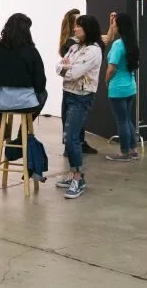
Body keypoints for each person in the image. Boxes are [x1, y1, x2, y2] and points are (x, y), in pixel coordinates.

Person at [54, 14, 104, 199]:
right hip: (68, 94)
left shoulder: (93, 51)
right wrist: (66, 68)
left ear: (87, 29)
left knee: (73, 137)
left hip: (81, 97)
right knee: (67, 136)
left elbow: (72, 73)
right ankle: (74, 174)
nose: (74, 29)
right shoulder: (75, 47)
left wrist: (67, 68)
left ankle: (78, 178)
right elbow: (58, 68)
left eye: (78, 27)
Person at [0, 13, 47, 132]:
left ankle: (1, 124)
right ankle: (24, 129)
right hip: (26, 104)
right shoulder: (32, 52)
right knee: (44, 94)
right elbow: (40, 84)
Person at [104, 13, 140, 162]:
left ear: (120, 26)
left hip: (118, 89)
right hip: (130, 87)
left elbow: (111, 68)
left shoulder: (118, 45)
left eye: (115, 24)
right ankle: (133, 150)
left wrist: (106, 81)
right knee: (127, 119)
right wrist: (112, 23)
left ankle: (124, 152)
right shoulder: (131, 42)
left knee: (122, 121)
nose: (114, 26)